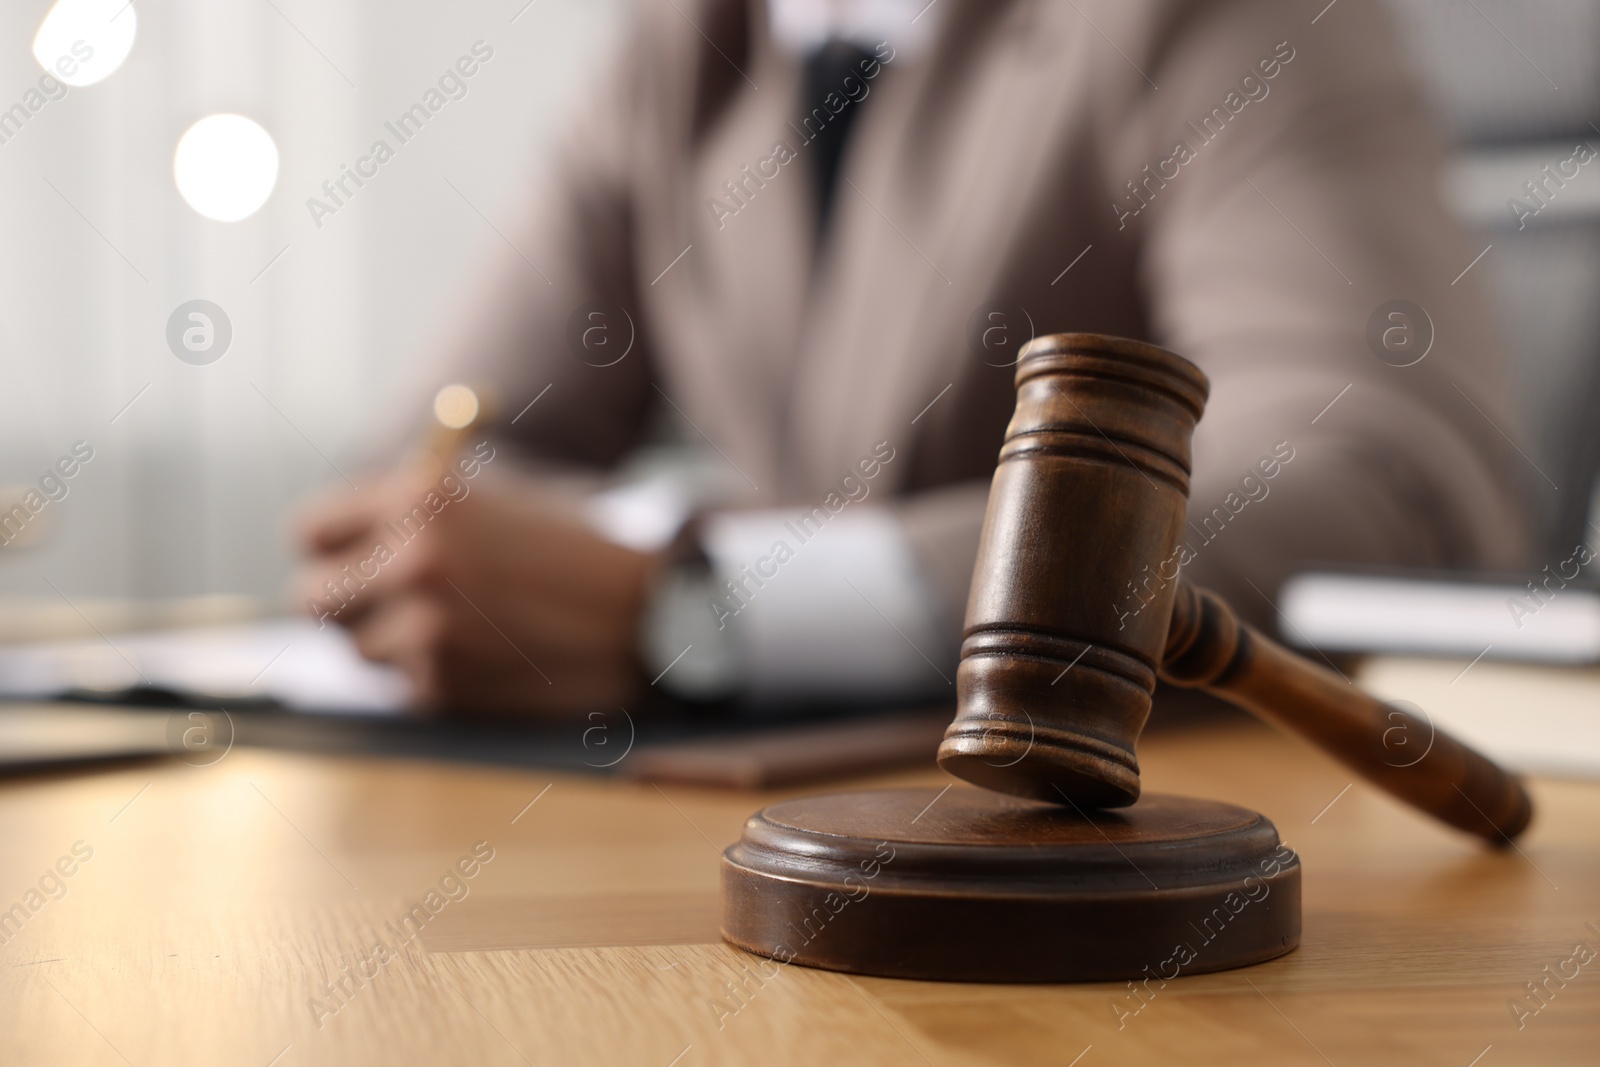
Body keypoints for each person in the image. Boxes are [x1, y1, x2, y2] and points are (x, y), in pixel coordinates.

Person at [294, 0, 1530, 716]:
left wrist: (720, 604)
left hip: (1124, 889)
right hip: (753, 858)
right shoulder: (684, 46)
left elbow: (1390, 485)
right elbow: (435, 458)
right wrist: (592, 565)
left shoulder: (1212, 20)